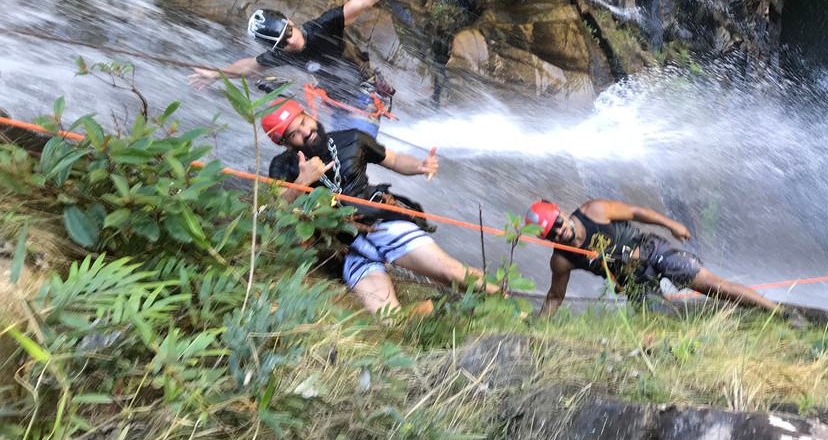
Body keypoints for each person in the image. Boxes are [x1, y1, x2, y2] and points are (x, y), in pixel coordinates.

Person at [262, 99, 500, 316]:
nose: (306, 132)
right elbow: (276, 208)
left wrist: (420, 165)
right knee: (389, 319)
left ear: (309, 115)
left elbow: (394, 160)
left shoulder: (352, 139)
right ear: (284, 142)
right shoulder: (283, 166)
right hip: (347, 247)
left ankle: (507, 302)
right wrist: (302, 181)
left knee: (451, 273)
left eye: (304, 122)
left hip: (382, 222)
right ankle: (446, 305)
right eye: (294, 133)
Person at [188, 0, 423, 136]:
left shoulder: (323, 28)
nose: (289, 43)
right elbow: (250, 65)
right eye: (280, 44)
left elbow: (362, 1)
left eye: (288, 34)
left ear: (290, 22)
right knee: (334, 146)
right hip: (338, 101)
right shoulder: (281, 53)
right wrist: (216, 74)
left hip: (366, 93)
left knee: (352, 144)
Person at [527, 199, 777, 317]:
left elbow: (637, 211)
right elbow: (555, 296)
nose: (560, 231)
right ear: (548, 239)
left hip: (651, 250)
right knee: (655, 321)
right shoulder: (562, 259)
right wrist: (539, 327)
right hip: (632, 278)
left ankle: (779, 312)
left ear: (560, 212)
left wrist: (672, 225)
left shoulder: (594, 211)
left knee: (712, 286)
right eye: (552, 233)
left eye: (557, 223)